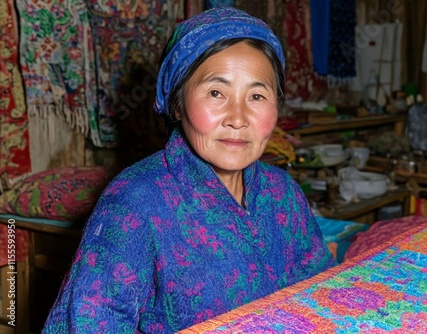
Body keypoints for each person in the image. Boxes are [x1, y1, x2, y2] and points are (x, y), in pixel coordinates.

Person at [43, 7, 335, 333]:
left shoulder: (282, 192)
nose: (237, 118)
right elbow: (89, 324)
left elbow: (318, 292)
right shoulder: (134, 202)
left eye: (256, 95)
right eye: (215, 93)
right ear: (178, 104)